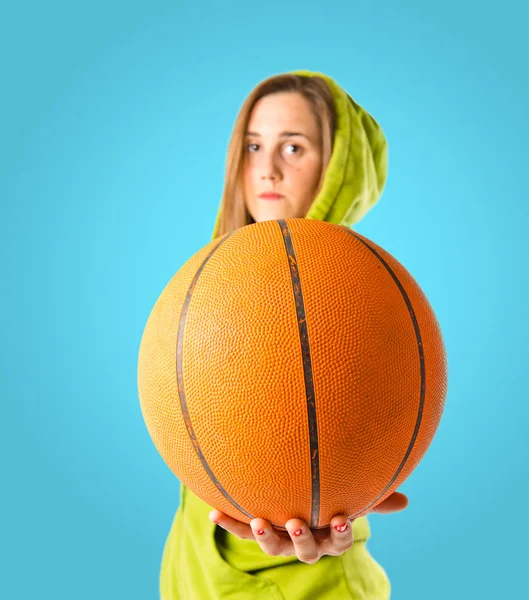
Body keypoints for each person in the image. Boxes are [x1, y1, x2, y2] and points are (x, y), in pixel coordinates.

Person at [159, 70, 409, 600]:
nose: (267, 168)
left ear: (338, 168)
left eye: (293, 147)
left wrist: (331, 504)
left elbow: (348, 445)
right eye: (254, 145)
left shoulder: (359, 302)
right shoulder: (214, 288)